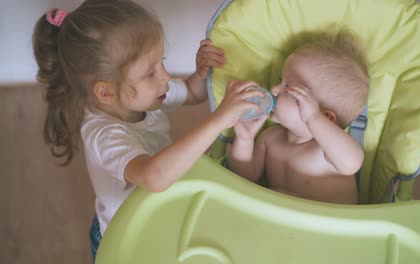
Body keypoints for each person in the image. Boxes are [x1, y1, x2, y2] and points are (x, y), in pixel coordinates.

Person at [32, 0, 264, 261]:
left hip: (155, 216)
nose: (165, 77)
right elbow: (154, 177)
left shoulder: (145, 98)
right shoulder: (103, 134)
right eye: (150, 73)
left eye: (162, 62)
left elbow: (191, 92)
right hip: (124, 240)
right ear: (106, 91)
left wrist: (202, 72)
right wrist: (218, 121)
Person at [229, 28, 369, 205]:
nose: (273, 90)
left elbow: (352, 163)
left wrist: (314, 119)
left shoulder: (326, 152)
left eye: (288, 86)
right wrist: (244, 140)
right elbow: (245, 177)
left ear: (324, 115)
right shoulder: (269, 139)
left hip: (326, 229)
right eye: (281, 80)